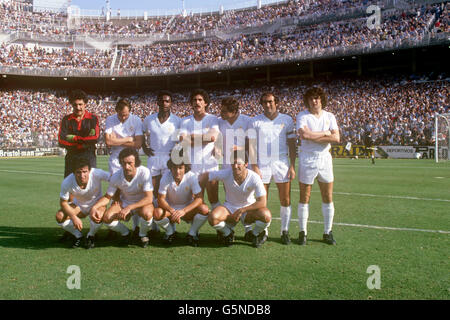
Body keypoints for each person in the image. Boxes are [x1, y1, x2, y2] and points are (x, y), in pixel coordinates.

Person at [248, 92, 296, 245]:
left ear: (276, 102)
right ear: (261, 104)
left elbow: (292, 145)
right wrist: (254, 165)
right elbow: (251, 145)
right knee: (262, 200)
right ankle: (263, 231)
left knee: (285, 199)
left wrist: (293, 165)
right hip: (262, 164)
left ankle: (284, 231)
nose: (267, 105)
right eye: (264, 102)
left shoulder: (287, 120)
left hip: (281, 162)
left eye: (270, 102)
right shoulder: (255, 121)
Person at [200, 151, 272, 248]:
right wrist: (199, 196)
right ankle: (227, 233)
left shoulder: (254, 177)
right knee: (213, 218)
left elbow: (262, 202)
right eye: (233, 163)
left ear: (246, 164)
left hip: (248, 210)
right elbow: (205, 176)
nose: (235, 166)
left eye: (239, 163)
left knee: (266, 215)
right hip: (230, 208)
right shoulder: (227, 173)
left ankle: (254, 234)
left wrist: (242, 210)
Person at [296, 87, 340, 245]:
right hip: (307, 158)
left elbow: (337, 138)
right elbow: (304, 135)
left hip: (325, 159)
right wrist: (326, 134)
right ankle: (303, 232)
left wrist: (315, 135)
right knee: (304, 197)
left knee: (327, 197)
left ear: (321, 99)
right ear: (307, 100)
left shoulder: (330, 116)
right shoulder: (302, 115)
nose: (314, 101)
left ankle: (327, 232)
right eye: (311, 98)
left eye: (317, 98)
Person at [91, 148, 154, 248]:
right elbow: (107, 197)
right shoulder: (116, 176)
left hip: (142, 203)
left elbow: (149, 198)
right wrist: (95, 207)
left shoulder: (144, 172)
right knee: (107, 218)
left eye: (130, 163)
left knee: (148, 214)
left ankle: (142, 235)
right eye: (123, 163)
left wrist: (129, 208)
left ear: (136, 162)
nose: (127, 167)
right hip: (125, 202)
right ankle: (126, 233)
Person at [104, 98, 144, 237]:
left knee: (135, 190)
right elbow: (108, 141)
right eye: (121, 115)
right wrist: (128, 139)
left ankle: (136, 226)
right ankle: (114, 225)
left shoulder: (136, 120)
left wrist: (118, 141)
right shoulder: (110, 119)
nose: (123, 117)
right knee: (115, 193)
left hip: (132, 157)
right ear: (116, 111)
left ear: (130, 112)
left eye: (126, 115)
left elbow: (138, 143)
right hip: (115, 159)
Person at [153, 152, 209, 247]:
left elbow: (199, 198)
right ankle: (170, 233)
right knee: (157, 213)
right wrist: (172, 211)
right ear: (170, 167)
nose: (177, 171)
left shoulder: (191, 176)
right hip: (171, 209)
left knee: (204, 209)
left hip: (186, 209)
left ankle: (192, 234)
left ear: (185, 168)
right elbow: (160, 199)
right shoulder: (165, 177)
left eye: (180, 168)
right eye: (174, 167)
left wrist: (183, 211)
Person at [55, 155, 110, 249]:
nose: (82, 175)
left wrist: (110, 196)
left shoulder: (97, 173)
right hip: (78, 206)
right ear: (73, 172)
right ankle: (78, 236)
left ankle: (90, 236)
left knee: (99, 215)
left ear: (89, 170)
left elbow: (115, 180)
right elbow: (63, 202)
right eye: (78, 172)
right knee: (60, 216)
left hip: (96, 205)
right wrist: (73, 216)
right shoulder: (67, 181)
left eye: (85, 172)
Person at [179, 89, 220, 210]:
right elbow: (183, 141)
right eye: (194, 100)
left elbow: (213, 137)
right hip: (193, 166)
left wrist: (191, 136)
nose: (197, 102)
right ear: (191, 103)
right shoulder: (185, 121)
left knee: (214, 199)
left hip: (210, 165)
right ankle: (194, 229)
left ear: (205, 103)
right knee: (195, 201)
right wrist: (204, 138)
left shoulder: (212, 119)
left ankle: (222, 229)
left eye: (200, 100)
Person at [142, 91, 181, 208]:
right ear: (157, 102)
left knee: (167, 191)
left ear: (171, 103)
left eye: (167, 101)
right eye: (162, 101)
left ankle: (169, 222)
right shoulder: (149, 119)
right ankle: (154, 222)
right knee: (152, 190)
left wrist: (176, 150)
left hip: (169, 158)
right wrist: (145, 147)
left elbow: (182, 139)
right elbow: (141, 133)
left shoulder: (177, 120)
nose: (164, 103)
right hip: (153, 157)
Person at [58, 90, 100, 178]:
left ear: (85, 104)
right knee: (70, 185)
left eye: (80, 104)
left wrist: (74, 138)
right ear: (71, 105)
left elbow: (95, 138)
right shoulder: (66, 119)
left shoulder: (93, 118)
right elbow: (61, 140)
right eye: (75, 105)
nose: (78, 107)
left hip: (89, 155)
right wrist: (84, 141)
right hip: (72, 155)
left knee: (90, 184)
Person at [217, 96, 252, 169]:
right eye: (221, 110)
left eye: (224, 111)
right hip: (227, 165)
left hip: (244, 164)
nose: (221, 113)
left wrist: (240, 148)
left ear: (234, 112)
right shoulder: (218, 122)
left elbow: (253, 143)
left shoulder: (248, 121)